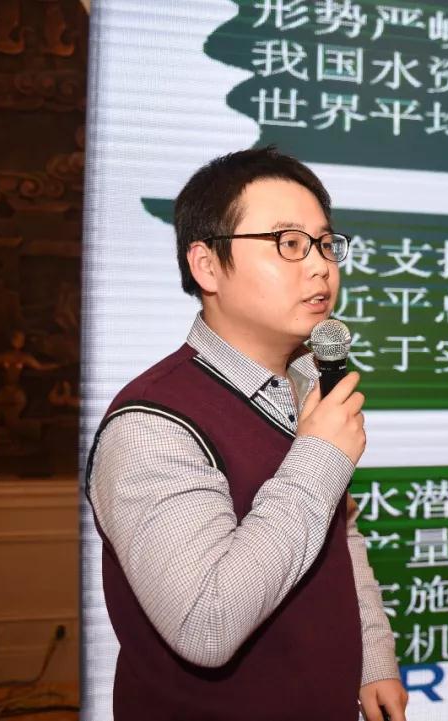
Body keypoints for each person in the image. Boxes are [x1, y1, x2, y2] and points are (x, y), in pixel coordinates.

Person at [86, 147, 407, 721]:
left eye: (325, 243)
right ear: (207, 265)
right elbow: (206, 625)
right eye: (288, 243)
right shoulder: (152, 425)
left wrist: (372, 658)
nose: (320, 267)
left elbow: (338, 534)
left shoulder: (307, 385)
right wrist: (320, 457)